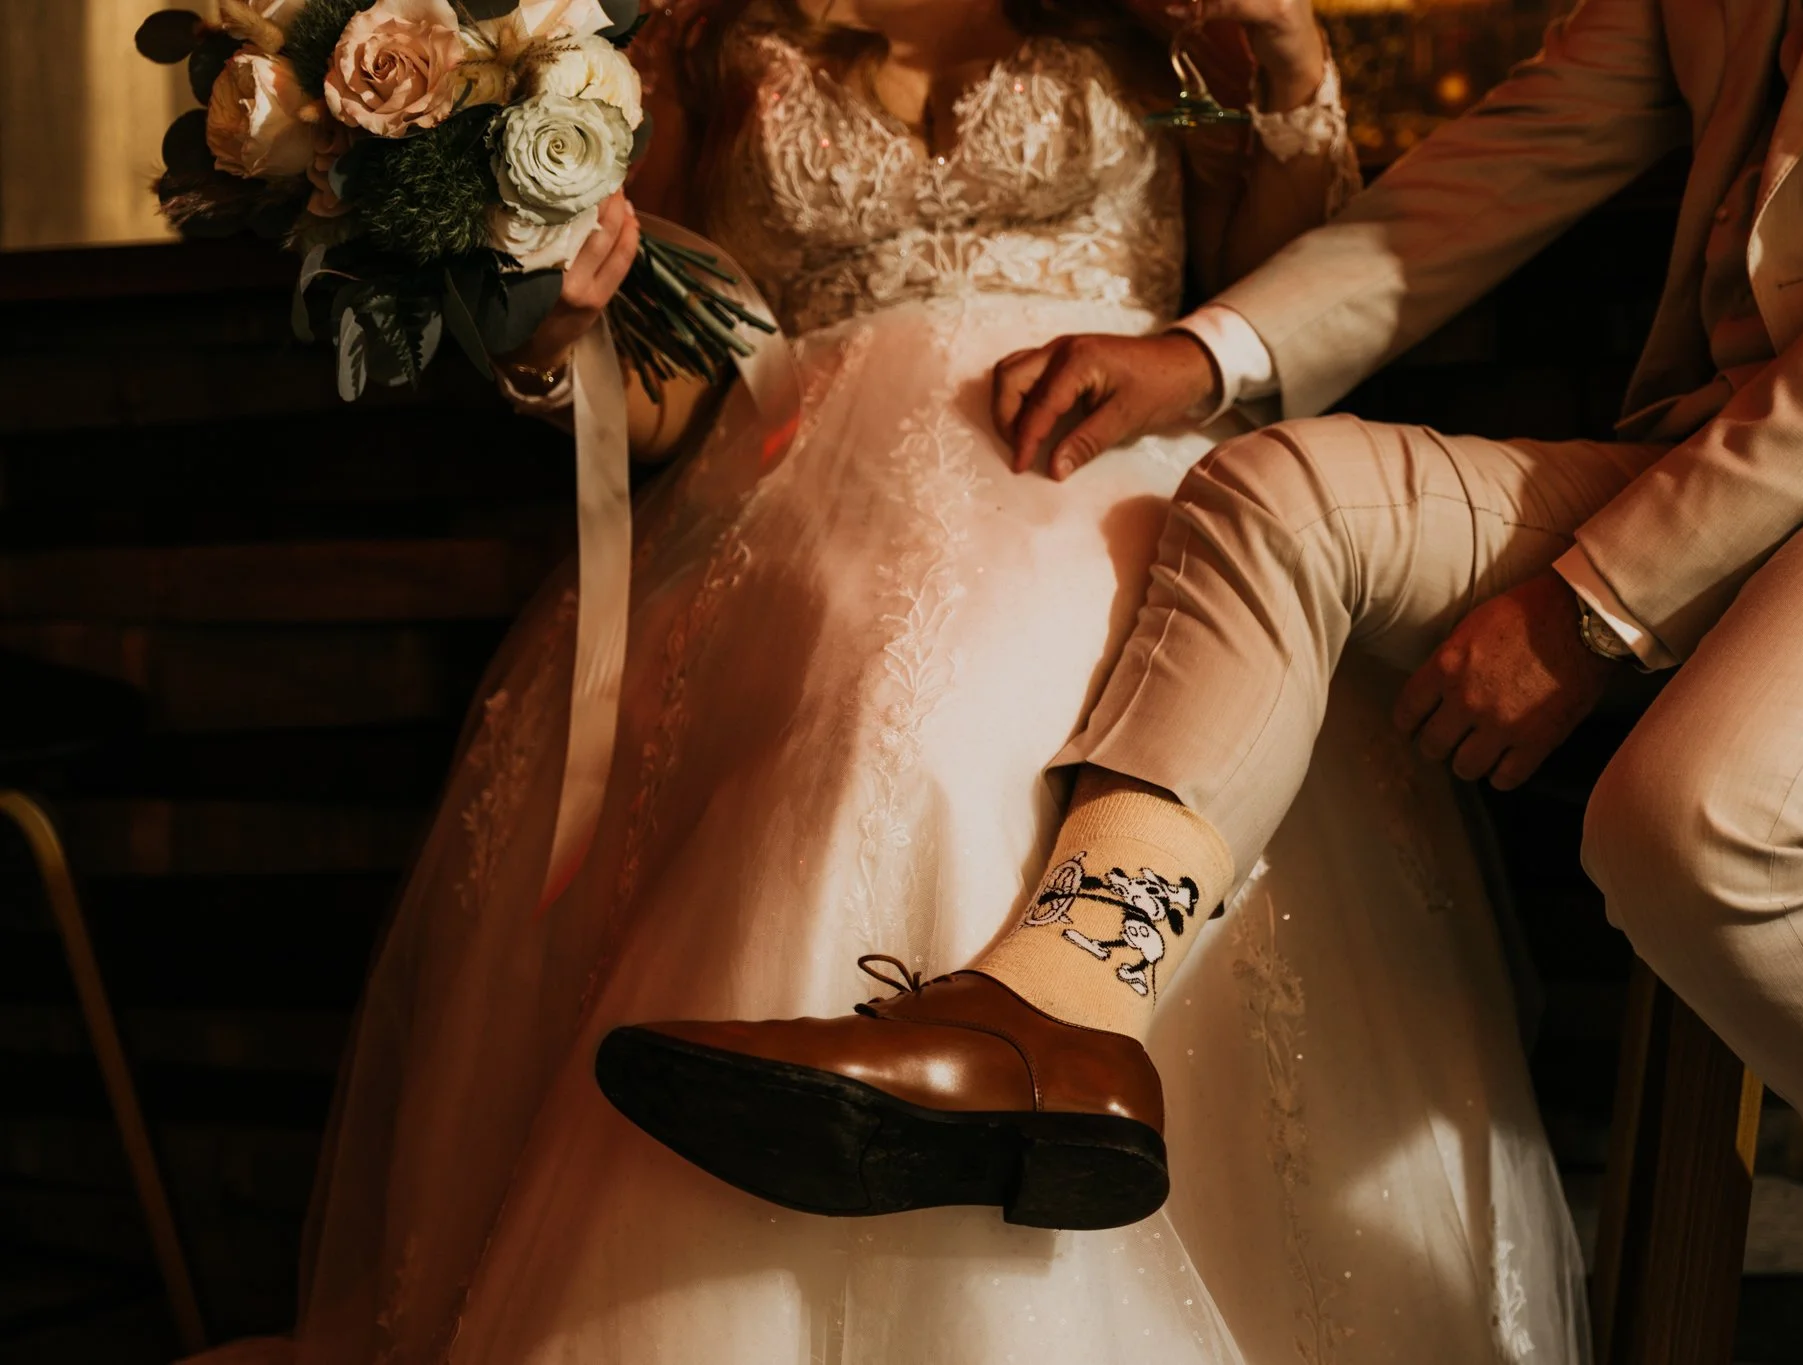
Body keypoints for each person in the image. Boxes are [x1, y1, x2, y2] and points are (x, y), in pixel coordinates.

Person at [601, 0, 1803, 1361]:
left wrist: (1594, 603)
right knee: (1275, 494)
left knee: (1696, 823)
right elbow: (1522, 149)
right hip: (1737, 447)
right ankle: (1053, 1018)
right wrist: (1203, 350)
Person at [201, 1, 1592, 1363]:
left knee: (985, 708)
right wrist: (547, 336)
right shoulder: (707, 36)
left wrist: (1284, 52)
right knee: (871, 712)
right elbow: (673, 395)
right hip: (798, 509)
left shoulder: (1155, 24)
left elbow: (1271, 329)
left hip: (1136, 495)